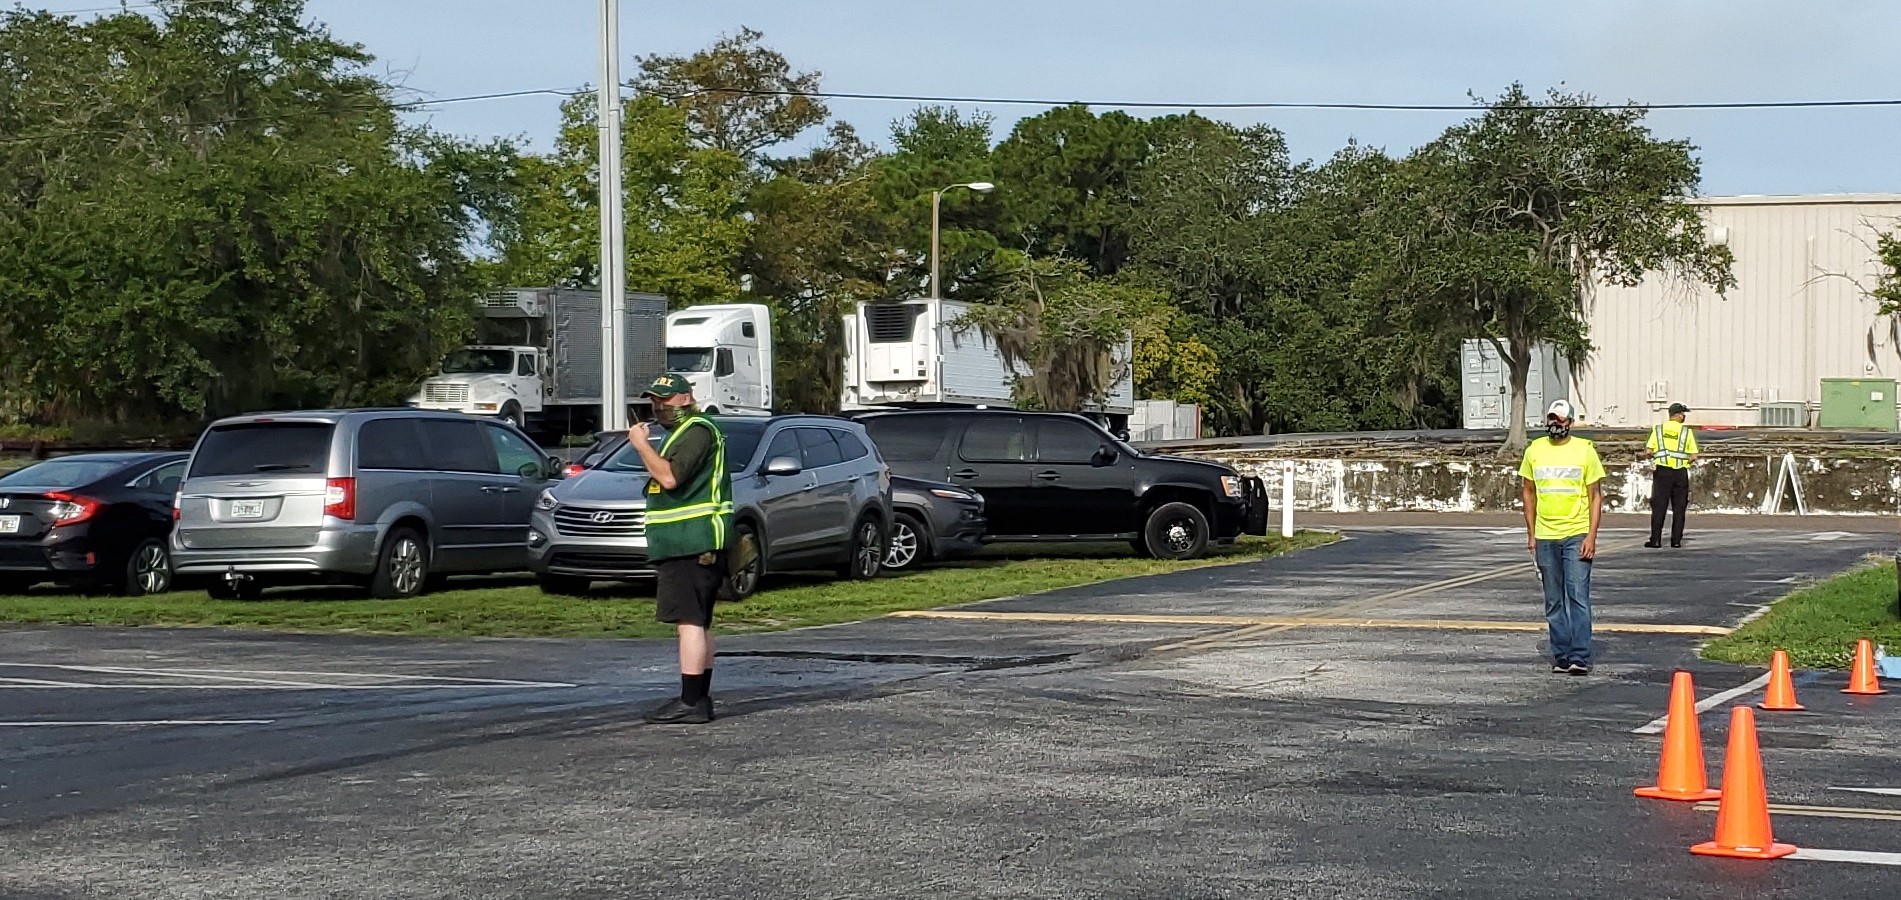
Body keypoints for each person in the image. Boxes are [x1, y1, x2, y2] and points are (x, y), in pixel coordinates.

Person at [625, 373, 733, 725]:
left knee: (688, 622)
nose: (658, 406)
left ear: (685, 398)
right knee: (697, 623)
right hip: (687, 541)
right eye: (654, 400)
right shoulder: (680, 433)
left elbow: (670, 478)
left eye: (665, 400)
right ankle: (698, 698)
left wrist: (641, 446)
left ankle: (690, 702)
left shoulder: (698, 430)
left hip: (692, 540)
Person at [1519, 399, 1605, 675]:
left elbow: (1595, 496)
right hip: (1546, 536)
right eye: (1551, 419)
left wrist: (1591, 536)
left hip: (1575, 533)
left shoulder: (1585, 451)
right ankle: (1562, 654)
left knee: (1577, 595)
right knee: (1554, 599)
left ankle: (1580, 655)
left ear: (1570, 422)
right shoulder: (1535, 450)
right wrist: (1532, 533)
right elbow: (1528, 492)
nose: (1555, 424)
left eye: (1560, 420)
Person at [1639, 403, 1698, 549]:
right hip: (1680, 472)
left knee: (1659, 506)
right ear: (1678, 415)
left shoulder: (1658, 430)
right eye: (1683, 414)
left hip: (1662, 472)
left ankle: (1656, 540)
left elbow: (1649, 451)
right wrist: (1683, 460)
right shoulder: (1686, 432)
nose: (1684, 416)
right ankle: (1676, 540)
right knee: (1679, 508)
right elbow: (1694, 456)